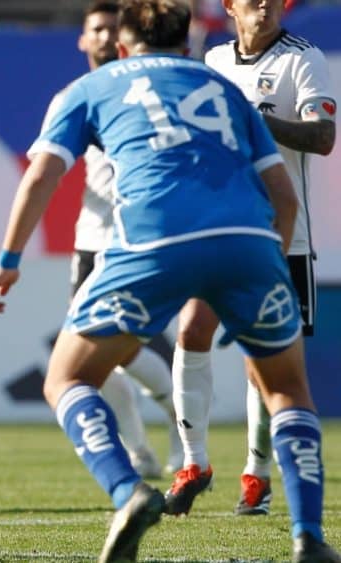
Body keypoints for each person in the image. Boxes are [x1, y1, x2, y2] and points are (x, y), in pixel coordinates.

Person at [0, 1, 337, 561]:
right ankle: (309, 538)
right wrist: (265, 261)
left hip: (152, 241)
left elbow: (45, 173)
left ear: (122, 47)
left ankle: (128, 490)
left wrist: (8, 257)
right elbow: (284, 197)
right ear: (189, 40)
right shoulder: (222, 86)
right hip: (249, 240)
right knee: (288, 387)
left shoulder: (90, 87)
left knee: (67, 376)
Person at [164, 0, 335, 518]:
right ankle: (193, 463)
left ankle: (257, 473)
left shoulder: (303, 59)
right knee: (192, 329)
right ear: (230, 7)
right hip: (221, 228)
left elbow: (323, 138)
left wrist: (261, 125)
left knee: (265, 362)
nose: (262, 1)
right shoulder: (213, 62)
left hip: (285, 233)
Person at [58, 0, 183, 480]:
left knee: (122, 347)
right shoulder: (75, 94)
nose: (106, 38)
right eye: (97, 29)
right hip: (92, 238)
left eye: (113, 29)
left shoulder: (147, 88)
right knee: (96, 354)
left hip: (142, 237)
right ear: (83, 39)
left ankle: (178, 418)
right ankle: (138, 449)